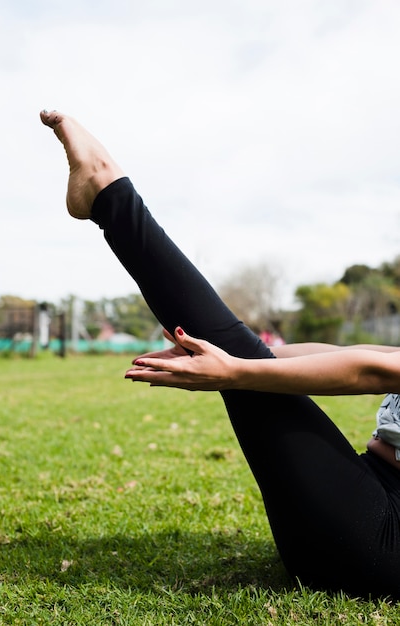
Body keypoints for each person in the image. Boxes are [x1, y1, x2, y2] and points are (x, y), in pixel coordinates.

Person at [40, 109, 400, 599]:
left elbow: (372, 371)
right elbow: (358, 352)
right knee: (241, 352)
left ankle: (107, 192)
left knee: (243, 363)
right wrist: (242, 348)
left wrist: (235, 366)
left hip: (382, 544)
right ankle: (106, 194)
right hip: (363, 497)